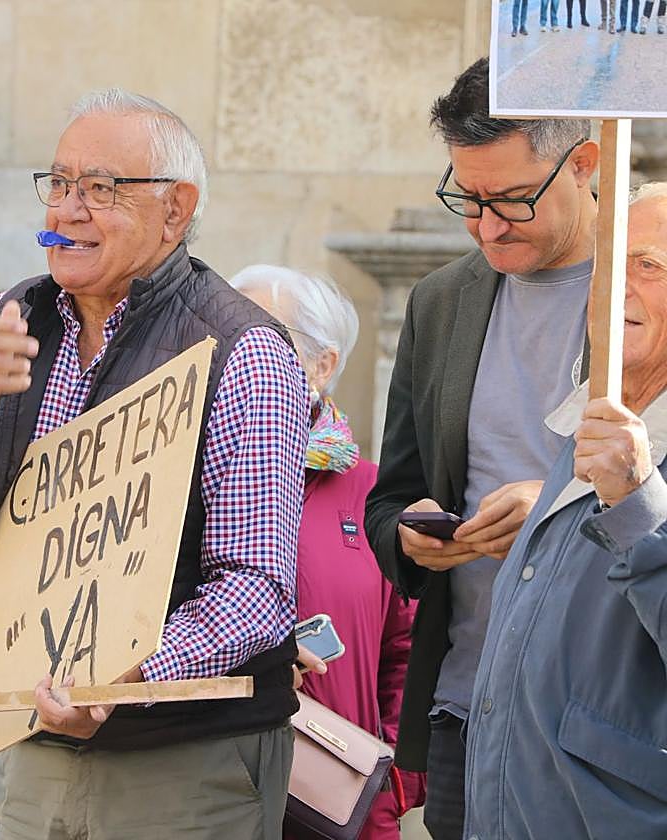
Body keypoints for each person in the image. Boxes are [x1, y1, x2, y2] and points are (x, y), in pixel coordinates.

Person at [0, 89, 309, 840]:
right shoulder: (16, 319)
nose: (67, 211)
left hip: (185, 761)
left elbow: (257, 591)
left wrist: (128, 678)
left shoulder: (243, 349)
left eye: (100, 188)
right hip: (38, 748)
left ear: (175, 209)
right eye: (59, 184)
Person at [363, 57, 597, 840]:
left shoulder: (649, 291)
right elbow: (391, 494)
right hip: (467, 712)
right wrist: (409, 534)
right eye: (469, 198)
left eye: (513, 200)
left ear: (585, 163)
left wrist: (555, 509)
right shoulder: (440, 301)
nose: (488, 226)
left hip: (607, 722)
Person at [464, 184, 667, 840]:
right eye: (609, 262)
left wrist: (638, 503)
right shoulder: (590, 415)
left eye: (649, 265)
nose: (617, 285)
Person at [232, 266, 425, 840]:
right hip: (208, 789)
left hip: (339, 803)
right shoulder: (188, 479)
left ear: (323, 365)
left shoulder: (375, 494)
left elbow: (410, 650)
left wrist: (393, 782)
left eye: (264, 338)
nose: (237, 359)